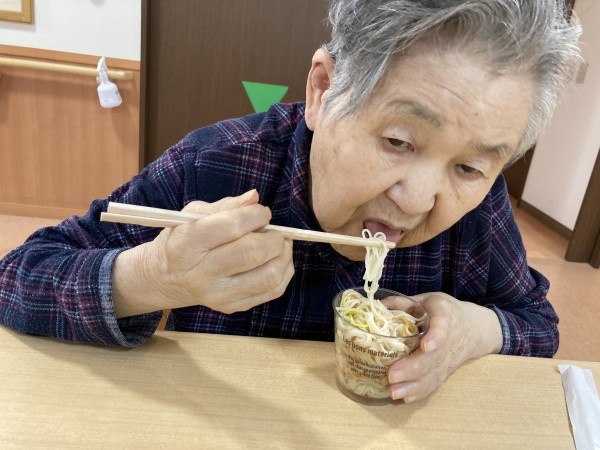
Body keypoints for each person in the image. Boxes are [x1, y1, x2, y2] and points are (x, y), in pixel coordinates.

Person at [0, 0, 582, 403]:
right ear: (323, 90)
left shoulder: (479, 209)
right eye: (398, 141)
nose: (419, 199)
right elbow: (18, 278)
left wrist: (476, 330)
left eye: (470, 167)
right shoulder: (220, 164)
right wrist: (157, 276)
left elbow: (536, 325)